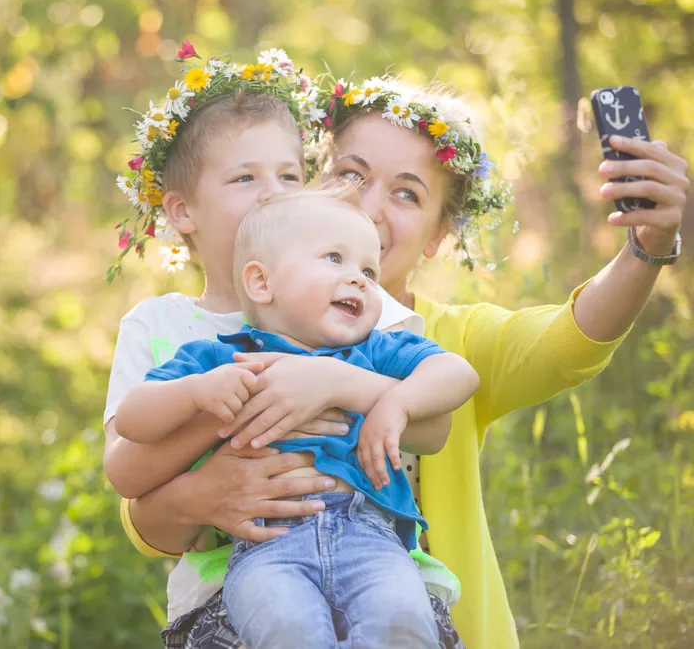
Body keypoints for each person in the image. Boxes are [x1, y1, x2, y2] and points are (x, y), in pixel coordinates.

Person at [113, 73, 690, 649]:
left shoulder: (443, 337)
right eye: (350, 175)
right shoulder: (200, 335)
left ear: (439, 233)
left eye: (407, 193)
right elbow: (139, 505)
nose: (366, 206)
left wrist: (647, 244)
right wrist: (204, 481)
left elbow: (569, 340)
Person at [105, 47, 470, 646]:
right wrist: (225, 410)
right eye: (245, 177)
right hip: (230, 586)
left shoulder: (361, 317)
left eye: (291, 175)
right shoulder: (163, 327)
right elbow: (126, 469)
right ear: (183, 210)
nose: (272, 193)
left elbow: (433, 427)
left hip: (379, 566)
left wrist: (332, 384)